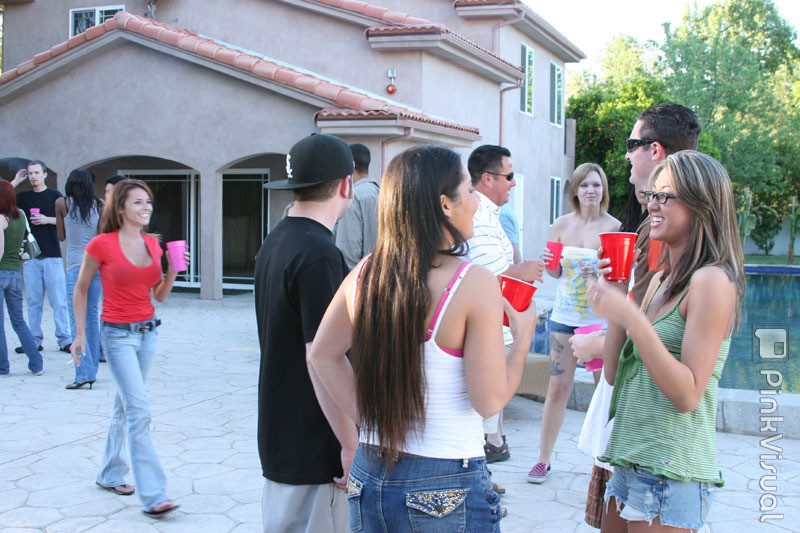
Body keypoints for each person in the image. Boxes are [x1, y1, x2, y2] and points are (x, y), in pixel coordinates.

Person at [309, 144, 538, 532]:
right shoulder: (472, 282)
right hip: (446, 480)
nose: (477, 205)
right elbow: (489, 401)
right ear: (444, 204)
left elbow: (322, 355)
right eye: (469, 192)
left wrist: (368, 420)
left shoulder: (367, 273)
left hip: (370, 474)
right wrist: (523, 339)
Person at [588, 150, 743, 532]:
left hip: (670, 471)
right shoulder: (661, 280)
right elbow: (613, 372)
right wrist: (621, 291)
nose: (651, 205)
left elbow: (688, 394)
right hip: (630, 458)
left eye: (664, 196)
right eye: (651, 195)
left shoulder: (711, 282)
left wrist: (633, 319)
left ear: (700, 204)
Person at [569, 102, 701, 530]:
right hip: (633, 429)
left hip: (655, 442)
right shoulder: (655, 227)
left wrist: (606, 329)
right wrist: (614, 296)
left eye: (632, 144)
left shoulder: (674, 241)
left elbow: (656, 335)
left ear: (656, 151)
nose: (626, 154)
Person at [255, 133, 356, 533]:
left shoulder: (276, 241)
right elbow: (321, 357)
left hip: (282, 434)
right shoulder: (318, 254)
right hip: (316, 446)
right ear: (346, 185)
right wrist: (349, 441)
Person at [71, 179, 185, 518]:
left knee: (125, 406)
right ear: (120, 208)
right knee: (139, 410)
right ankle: (154, 495)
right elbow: (80, 289)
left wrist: (174, 270)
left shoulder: (153, 244)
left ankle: (109, 473)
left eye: (148, 202)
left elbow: (159, 296)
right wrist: (80, 335)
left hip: (149, 334)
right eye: (138, 202)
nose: (146, 207)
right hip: (117, 336)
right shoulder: (101, 245)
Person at [529, 163, 620, 485]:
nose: (590, 191)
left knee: (604, 391)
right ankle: (543, 460)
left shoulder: (614, 227)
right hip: (563, 320)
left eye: (596, 185)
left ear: (603, 190)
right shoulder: (561, 224)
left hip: (599, 324)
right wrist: (547, 262)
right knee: (557, 389)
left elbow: (618, 279)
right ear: (576, 191)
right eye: (584, 185)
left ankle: (605, 462)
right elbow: (554, 273)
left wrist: (597, 276)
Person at [466, 144, 544, 464]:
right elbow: (489, 277)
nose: (513, 183)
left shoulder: (490, 214)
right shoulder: (478, 214)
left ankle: (488, 464)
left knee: (487, 419)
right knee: (479, 422)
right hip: (487, 335)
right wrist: (523, 270)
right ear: (487, 178)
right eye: (509, 176)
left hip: (496, 334)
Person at [10, 161, 71, 353]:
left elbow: (67, 221)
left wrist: (48, 220)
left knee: (58, 300)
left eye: (37, 172)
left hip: (52, 255)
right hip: (30, 256)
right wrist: (15, 181)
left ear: (45, 174)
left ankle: (64, 339)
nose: (33, 176)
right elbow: (2, 199)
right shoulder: (23, 197)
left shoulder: (55, 196)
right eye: (30, 173)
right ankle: (34, 340)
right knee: (33, 301)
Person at [56, 169, 103, 389]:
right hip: (95, 266)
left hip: (75, 266)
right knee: (91, 318)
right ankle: (91, 370)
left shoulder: (62, 204)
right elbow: (102, 236)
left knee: (77, 320)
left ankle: (82, 374)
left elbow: (61, 236)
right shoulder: (100, 205)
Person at [0, 181, 44, 376]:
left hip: (0, 272)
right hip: (16, 273)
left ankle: (3, 367)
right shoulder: (21, 215)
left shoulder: (1, 219)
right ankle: (36, 364)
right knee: (18, 320)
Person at [335, 143, 379, 270]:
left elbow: (348, 254)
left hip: (359, 282)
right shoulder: (382, 193)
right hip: (383, 280)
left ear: (349, 165)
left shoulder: (352, 197)